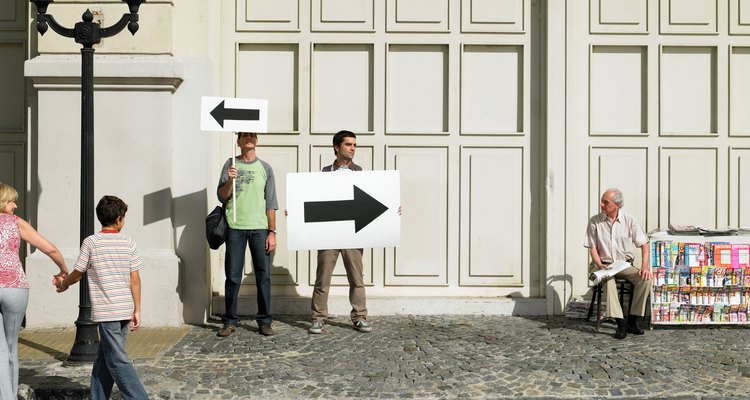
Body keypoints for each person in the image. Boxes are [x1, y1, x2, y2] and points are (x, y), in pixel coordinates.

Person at [53, 195, 148, 399]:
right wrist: (137, 309)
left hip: (107, 312)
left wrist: (62, 284)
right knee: (105, 358)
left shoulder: (91, 242)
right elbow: (135, 279)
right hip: (123, 309)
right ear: (119, 218)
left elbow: (78, 272)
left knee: (116, 360)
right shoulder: (128, 242)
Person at [0, 182, 69, 399]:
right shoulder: (16, 223)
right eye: (12, 201)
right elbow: (50, 248)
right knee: (11, 348)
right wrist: (63, 270)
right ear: (3, 202)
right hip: (15, 287)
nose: (15, 206)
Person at [308, 130, 371, 334]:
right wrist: (297, 211)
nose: (353, 148)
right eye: (348, 145)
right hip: (329, 234)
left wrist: (391, 209)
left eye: (354, 145)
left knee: (356, 279)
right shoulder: (325, 173)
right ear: (337, 147)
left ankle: (359, 316)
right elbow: (314, 199)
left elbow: (371, 199)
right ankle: (318, 317)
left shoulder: (361, 173)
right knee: (323, 278)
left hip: (353, 234)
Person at [217, 131, 278, 337]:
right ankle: (229, 321)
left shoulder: (265, 168)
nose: (249, 139)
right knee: (232, 276)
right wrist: (230, 181)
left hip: (259, 228)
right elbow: (221, 196)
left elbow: (271, 203)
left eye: (253, 136)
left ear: (257, 141)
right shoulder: (230, 163)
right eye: (245, 136)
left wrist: (272, 232)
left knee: (263, 276)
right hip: (235, 227)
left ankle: (264, 320)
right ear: (239, 141)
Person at [584, 188, 652, 339]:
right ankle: (620, 322)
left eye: (605, 202)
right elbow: (592, 248)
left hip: (623, 265)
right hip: (601, 264)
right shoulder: (595, 221)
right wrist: (599, 264)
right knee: (607, 279)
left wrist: (645, 268)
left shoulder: (630, 220)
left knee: (645, 279)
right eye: (602, 201)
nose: (601, 205)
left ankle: (632, 321)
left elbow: (644, 244)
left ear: (617, 205)